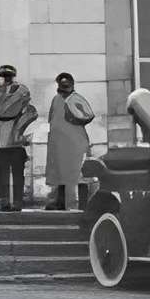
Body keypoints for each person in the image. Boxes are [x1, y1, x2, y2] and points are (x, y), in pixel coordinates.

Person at [0, 64, 36, 212]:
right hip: (0, 140)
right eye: (3, 76)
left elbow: (29, 113)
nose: (5, 79)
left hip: (16, 139)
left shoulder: (22, 93)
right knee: (1, 172)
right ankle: (4, 201)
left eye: (7, 76)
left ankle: (17, 202)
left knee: (17, 173)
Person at [45, 71, 96, 210]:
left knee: (74, 175)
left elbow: (88, 115)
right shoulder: (56, 99)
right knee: (59, 174)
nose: (63, 87)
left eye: (65, 84)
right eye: (62, 84)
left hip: (74, 144)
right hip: (59, 143)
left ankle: (75, 205)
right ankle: (60, 202)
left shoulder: (76, 99)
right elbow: (52, 120)